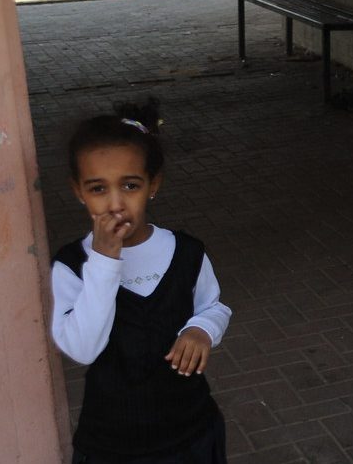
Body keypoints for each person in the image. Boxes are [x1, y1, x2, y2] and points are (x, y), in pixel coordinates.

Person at [51, 99, 230, 463]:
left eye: (130, 186)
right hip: (114, 445)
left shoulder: (186, 252)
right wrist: (103, 261)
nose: (115, 204)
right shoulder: (71, 266)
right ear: (78, 192)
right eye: (98, 189)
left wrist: (201, 330)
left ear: (153, 185)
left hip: (190, 432)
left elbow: (214, 305)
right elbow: (83, 348)